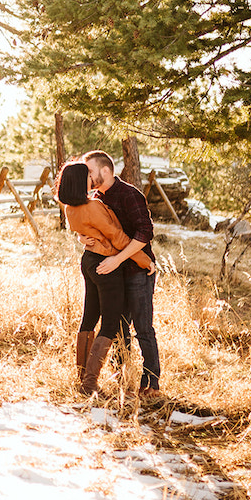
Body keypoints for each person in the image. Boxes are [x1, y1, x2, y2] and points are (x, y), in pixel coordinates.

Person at [55, 161, 155, 395]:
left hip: (88, 260)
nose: (91, 178)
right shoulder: (93, 206)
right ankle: (89, 384)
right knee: (111, 323)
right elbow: (117, 237)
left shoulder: (70, 207)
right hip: (105, 265)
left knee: (89, 317)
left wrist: (83, 238)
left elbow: (84, 232)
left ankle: (82, 377)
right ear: (81, 181)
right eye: (87, 175)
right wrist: (144, 260)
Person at [81, 150, 163, 398]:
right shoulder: (95, 198)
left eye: (90, 171)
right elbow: (94, 230)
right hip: (112, 275)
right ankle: (122, 379)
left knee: (143, 328)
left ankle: (152, 384)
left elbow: (145, 233)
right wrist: (83, 237)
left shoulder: (130, 195)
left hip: (137, 270)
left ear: (105, 171)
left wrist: (117, 259)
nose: (88, 176)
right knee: (118, 328)